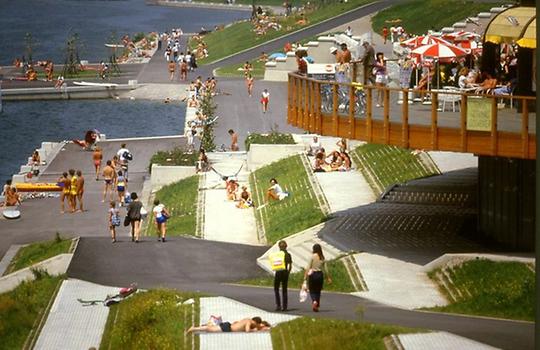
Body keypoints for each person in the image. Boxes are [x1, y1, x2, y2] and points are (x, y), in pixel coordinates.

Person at [303, 244, 331, 312]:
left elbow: (308, 267)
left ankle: (314, 301)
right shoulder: (322, 257)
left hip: (312, 274)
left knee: (312, 290)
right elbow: (326, 269)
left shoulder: (312, 257)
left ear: (313, 249)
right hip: (320, 275)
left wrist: (305, 277)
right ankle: (317, 305)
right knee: (318, 291)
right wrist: (328, 277)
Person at [272, 240, 292, 311]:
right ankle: (285, 306)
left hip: (278, 272)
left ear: (279, 247)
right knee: (284, 289)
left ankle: (278, 305)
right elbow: (290, 265)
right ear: (286, 246)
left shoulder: (277, 254)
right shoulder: (288, 255)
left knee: (276, 288)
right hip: (285, 272)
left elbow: (274, 263)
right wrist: (288, 272)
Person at [187, 317, 269, 333]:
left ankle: (195, 327)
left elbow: (237, 322)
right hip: (228, 328)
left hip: (229, 325)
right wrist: (253, 330)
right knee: (210, 329)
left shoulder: (247, 319)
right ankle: (193, 328)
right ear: (255, 322)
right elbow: (247, 330)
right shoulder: (249, 322)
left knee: (210, 328)